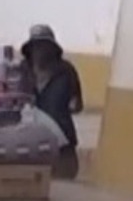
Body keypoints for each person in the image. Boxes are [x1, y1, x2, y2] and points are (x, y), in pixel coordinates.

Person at [17, 24, 84, 180]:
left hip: (62, 145)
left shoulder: (66, 71)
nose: (41, 51)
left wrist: (69, 105)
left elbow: (77, 105)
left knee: (63, 181)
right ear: (30, 49)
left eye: (45, 46)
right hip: (29, 144)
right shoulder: (22, 70)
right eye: (36, 46)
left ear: (53, 49)